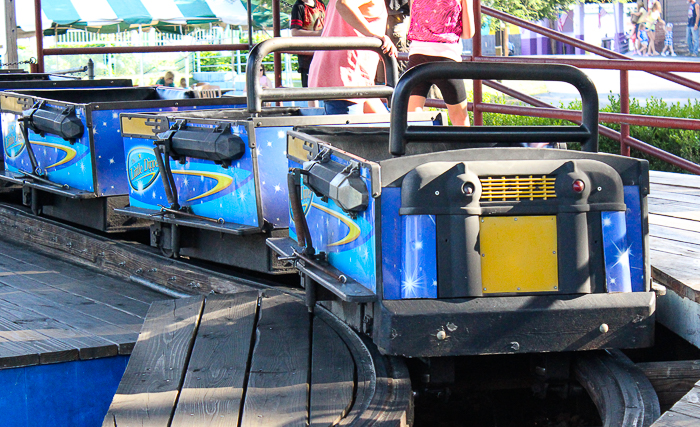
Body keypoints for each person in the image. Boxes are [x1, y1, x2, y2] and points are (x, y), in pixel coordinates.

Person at [308, 0, 397, 115]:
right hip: (347, 75)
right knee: (347, 130)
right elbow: (343, 3)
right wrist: (374, 35)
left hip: (353, 77)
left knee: (387, 125)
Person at [406, 0, 475, 126]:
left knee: (412, 117)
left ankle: (417, 146)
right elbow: (468, 33)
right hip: (446, 58)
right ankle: (464, 145)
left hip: (417, 57)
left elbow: (413, 19)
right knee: (460, 119)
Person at [290, 0, 326, 88]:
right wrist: (318, 34)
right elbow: (295, 32)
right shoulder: (298, 7)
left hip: (322, 52)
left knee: (326, 85)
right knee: (310, 88)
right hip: (307, 56)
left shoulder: (320, 4)